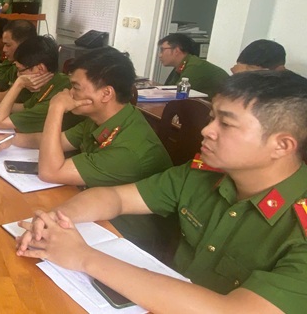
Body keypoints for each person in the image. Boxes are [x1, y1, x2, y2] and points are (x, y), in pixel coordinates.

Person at [16, 71, 307, 313]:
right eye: (212, 118)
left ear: (281, 145)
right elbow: (115, 198)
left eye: (226, 124)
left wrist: (83, 257)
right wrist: (58, 219)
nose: (207, 130)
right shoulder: (202, 173)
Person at [0, 47, 173, 253]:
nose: (68, 93)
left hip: (126, 237)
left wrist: (56, 107)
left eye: (75, 87)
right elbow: (55, 140)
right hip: (94, 212)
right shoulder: (103, 119)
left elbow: (49, 172)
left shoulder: (130, 148)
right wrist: (13, 139)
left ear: (106, 94)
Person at [0, 35, 83, 133]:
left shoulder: (57, 93)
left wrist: (19, 84)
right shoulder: (55, 80)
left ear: (40, 69)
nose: (18, 75)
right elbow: (24, 107)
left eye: (20, 70)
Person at [159, 33, 228, 98]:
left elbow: (177, 94)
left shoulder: (195, 67)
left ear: (177, 50)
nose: (160, 55)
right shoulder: (183, 64)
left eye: (162, 50)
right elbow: (169, 88)